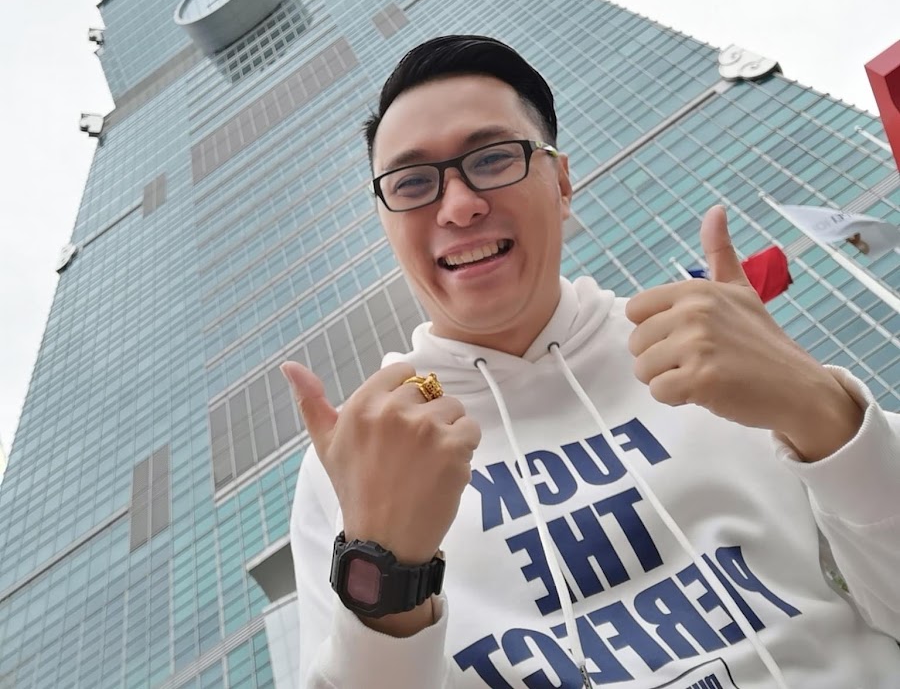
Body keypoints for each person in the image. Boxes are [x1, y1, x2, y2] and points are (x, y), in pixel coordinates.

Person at [284, 35, 900, 688]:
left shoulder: (715, 344)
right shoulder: (360, 452)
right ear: (386, 221)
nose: (459, 205)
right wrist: (386, 577)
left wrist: (823, 411)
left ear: (562, 182)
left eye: (493, 159)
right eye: (412, 183)